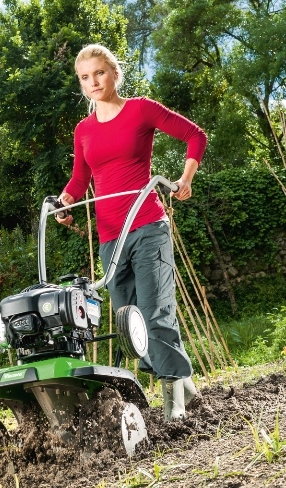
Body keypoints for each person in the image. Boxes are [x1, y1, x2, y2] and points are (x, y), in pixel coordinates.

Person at [57, 44, 207, 421]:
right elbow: (80, 179)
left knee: (156, 313)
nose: (93, 82)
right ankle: (186, 389)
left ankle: (174, 406)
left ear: (114, 74)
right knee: (129, 321)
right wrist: (64, 203)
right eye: (85, 77)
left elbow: (195, 136)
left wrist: (184, 180)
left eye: (100, 73)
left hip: (147, 225)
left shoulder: (141, 109)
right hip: (111, 237)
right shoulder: (83, 130)